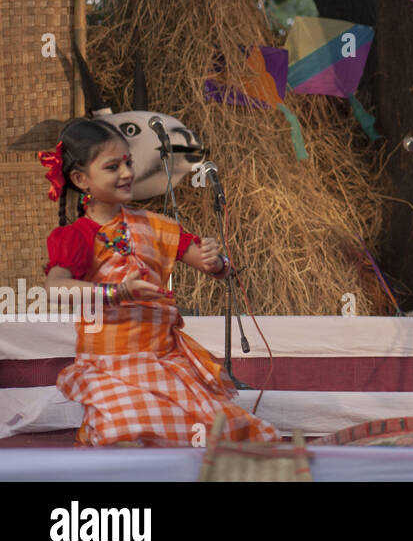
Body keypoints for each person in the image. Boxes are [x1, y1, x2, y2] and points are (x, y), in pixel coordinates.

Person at [39, 118, 278, 445]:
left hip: (165, 362)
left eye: (128, 162)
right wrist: (119, 291)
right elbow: (55, 289)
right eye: (112, 167)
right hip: (109, 367)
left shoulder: (154, 225)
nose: (126, 173)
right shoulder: (75, 237)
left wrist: (215, 261)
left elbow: (218, 269)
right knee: (127, 433)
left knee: (234, 435)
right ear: (82, 179)